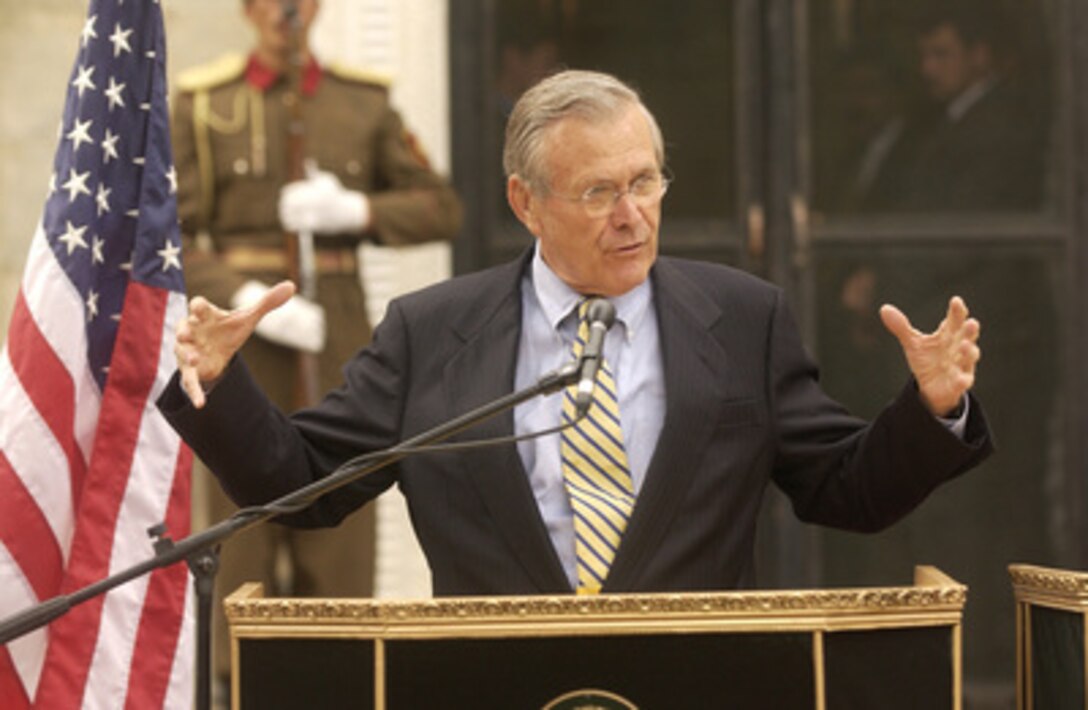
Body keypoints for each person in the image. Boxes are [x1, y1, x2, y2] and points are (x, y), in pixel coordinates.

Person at [160, 69, 991, 599]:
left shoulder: (741, 318)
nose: (632, 216)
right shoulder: (432, 331)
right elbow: (306, 485)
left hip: (697, 682)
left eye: (645, 182)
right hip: (495, 683)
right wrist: (220, 384)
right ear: (526, 203)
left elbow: (848, 491)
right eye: (598, 193)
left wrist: (933, 409)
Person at [168, 0, 462, 687]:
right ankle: (235, 684)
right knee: (241, 522)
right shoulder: (205, 105)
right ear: (248, 10)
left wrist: (356, 211)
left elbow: (439, 206)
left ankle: (341, 683)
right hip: (242, 338)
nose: (285, 12)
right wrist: (238, 298)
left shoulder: (362, 103)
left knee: (341, 512)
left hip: (335, 329)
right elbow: (165, 238)